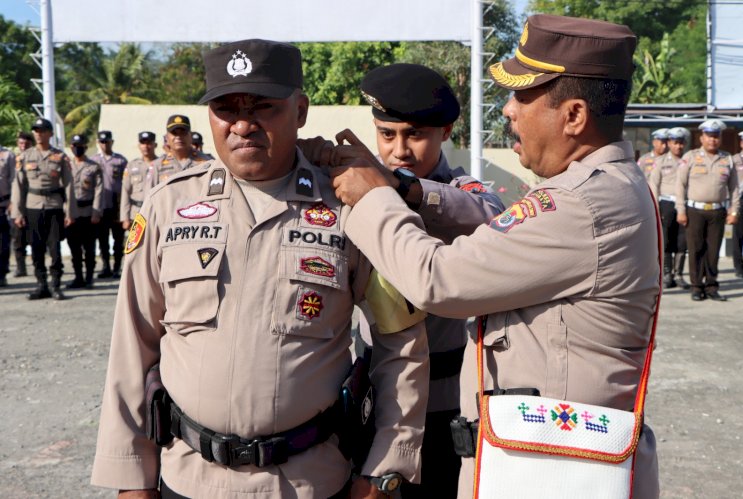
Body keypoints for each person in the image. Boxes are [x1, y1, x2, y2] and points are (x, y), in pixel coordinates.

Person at [328, 14, 660, 498]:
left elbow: (438, 279)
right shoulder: (607, 189)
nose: (508, 110)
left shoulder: (579, 204)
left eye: (522, 97)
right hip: (547, 459)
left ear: (573, 116)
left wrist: (377, 195)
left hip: (552, 472)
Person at [91, 39, 429, 499]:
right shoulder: (168, 205)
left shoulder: (352, 206)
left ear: (301, 109)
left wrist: (385, 467)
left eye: (264, 107)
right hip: (187, 479)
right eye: (226, 109)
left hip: (311, 481)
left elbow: (401, 341)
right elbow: (133, 344)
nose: (243, 124)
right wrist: (129, 478)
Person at [301, 62, 504, 499]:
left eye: (414, 134)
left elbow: (491, 215)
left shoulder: (462, 192)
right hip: (370, 396)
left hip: (443, 407)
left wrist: (400, 188)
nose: (399, 150)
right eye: (387, 134)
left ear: (446, 131)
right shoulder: (359, 188)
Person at [10, 117, 75, 300]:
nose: (39, 134)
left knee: (54, 247)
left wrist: (69, 212)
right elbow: (19, 187)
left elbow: (68, 185)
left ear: (50, 133)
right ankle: (41, 284)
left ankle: (55, 284)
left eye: (42, 130)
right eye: (36, 130)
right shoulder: (25, 156)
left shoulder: (60, 156)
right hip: (33, 206)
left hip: (54, 206)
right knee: (36, 247)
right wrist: (18, 213)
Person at [676, 119, 740, 301]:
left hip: (717, 211)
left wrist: (734, 211)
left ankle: (711, 286)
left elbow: (734, 188)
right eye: (709, 136)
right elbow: (680, 185)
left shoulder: (727, 158)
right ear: (702, 138)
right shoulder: (690, 157)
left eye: (716, 137)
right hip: (694, 210)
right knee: (696, 249)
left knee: (713, 250)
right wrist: (680, 210)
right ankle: (696, 286)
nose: (713, 140)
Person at [649, 126, 690, 289]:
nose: (678, 146)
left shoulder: (688, 160)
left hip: (685, 205)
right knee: (666, 240)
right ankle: (667, 274)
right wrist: (656, 208)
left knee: (682, 241)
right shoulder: (660, 161)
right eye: (675, 142)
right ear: (669, 143)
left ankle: (679, 274)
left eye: (681, 143)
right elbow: (654, 185)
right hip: (666, 204)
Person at [66, 134, 103, 289]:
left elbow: (99, 190)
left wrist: (96, 212)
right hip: (72, 214)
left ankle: (89, 278)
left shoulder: (93, 166)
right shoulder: (66, 166)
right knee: (74, 248)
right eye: (74, 145)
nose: (77, 148)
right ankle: (78, 277)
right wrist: (66, 213)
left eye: (80, 145)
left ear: (86, 147)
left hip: (88, 212)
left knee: (89, 248)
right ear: (71, 147)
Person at [91, 130, 128, 279]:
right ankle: (105, 266)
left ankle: (117, 267)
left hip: (116, 205)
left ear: (112, 142)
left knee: (118, 239)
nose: (104, 144)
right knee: (103, 239)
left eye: (107, 141)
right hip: (101, 205)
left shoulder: (120, 161)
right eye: (102, 142)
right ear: (98, 143)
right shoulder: (93, 161)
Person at [145, 116, 210, 189]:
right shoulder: (157, 166)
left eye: (183, 132)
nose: (179, 137)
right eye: (174, 133)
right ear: (167, 137)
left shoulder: (206, 163)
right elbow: (149, 197)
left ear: (190, 136)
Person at [120, 131, 158, 230]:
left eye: (149, 143)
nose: (146, 146)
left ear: (155, 145)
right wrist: (125, 217)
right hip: (136, 213)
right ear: (139, 146)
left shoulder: (161, 165)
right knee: (136, 244)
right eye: (143, 143)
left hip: (156, 213)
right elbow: (125, 191)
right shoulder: (132, 165)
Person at [11, 131, 34, 277]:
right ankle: (21, 267)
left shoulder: (34, 158)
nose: (23, 146)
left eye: (26, 143)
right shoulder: (12, 160)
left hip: (33, 203)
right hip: (16, 204)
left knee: (35, 237)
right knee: (18, 238)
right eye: (20, 143)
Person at [731, 130, 743, 278]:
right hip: (741, 201)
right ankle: (739, 266)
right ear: (742, 144)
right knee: (738, 236)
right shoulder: (734, 160)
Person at [0, 143, 15, 287]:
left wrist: (13, 203)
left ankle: (2, 273)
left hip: (3, 205)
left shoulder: (8, 155)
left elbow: (13, 180)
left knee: (3, 243)